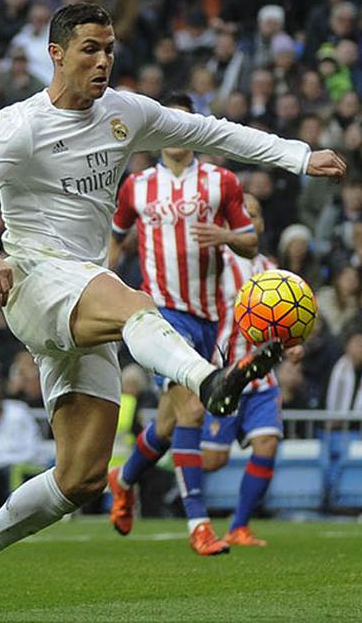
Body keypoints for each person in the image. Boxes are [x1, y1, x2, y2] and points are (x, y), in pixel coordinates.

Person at [0, 2, 345, 619]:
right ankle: (209, 381)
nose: (103, 61)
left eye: (110, 49)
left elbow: (211, 132)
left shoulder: (125, 112)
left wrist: (298, 156)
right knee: (135, 303)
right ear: (56, 54)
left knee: (81, 478)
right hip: (34, 279)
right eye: (89, 49)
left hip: (83, 294)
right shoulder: (21, 124)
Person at [105, 94, 266, 556]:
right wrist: (106, 292)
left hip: (209, 318)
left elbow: (251, 243)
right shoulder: (136, 187)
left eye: (184, 123)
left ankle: (124, 478)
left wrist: (226, 236)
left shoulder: (221, 181)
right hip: (160, 314)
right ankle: (199, 524)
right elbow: (114, 240)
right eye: (168, 123)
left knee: (170, 423)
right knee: (193, 411)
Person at [200, 193, 288, 546]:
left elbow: (285, 321)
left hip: (263, 378)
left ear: (262, 225)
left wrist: (292, 345)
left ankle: (239, 526)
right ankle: (163, 456)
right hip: (224, 373)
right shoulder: (216, 263)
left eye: (255, 214)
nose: (249, 220)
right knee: (213, 460)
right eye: (243, 214)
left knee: (267, 444)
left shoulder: (272, 272)